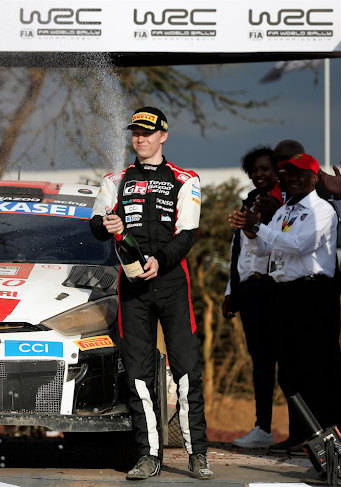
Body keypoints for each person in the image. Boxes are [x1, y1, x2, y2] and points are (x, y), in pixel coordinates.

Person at [90, 107, 212, 480]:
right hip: (132, 286)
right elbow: (96, 224)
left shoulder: (185, 178)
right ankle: (149, 455)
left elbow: (188, 233)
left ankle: (197, 455)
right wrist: (106, 222)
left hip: (172, 281)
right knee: (139, 375)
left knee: (186, 369)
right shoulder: (116, 179)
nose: (140, 138)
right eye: (135, 133)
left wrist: (161, 260)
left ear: (163, 135)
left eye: (147, 132)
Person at [229, 153, 341, 455]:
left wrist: (260, 227)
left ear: (314, 178)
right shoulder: (284, 211)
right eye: (288, 173)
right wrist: (250, 230)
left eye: (299, 173)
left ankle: (325, 436)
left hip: (313, 295)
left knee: (314, 369)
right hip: (284, 295)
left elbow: (299, 245)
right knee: (288, 371)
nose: (292, 178)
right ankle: (299, 433)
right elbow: (265, 250)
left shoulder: (323, 209)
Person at [222, 146, 279, 448]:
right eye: (254, 170)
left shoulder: (283, 203)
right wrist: (232, 291)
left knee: (289, 362)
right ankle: (263, 428)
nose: (259, 174)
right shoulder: (248, 202)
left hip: (277, 289)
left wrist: (259, 224)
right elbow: (239, 251)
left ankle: (307, 429)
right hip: (249, 291)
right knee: (260, 361)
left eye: (265, 169)